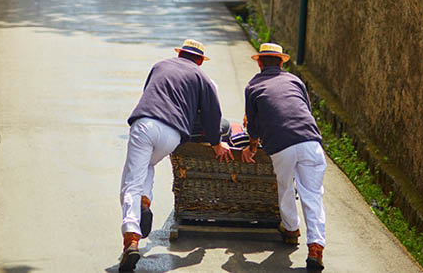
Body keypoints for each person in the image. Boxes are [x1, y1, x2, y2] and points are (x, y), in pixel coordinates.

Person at [118, 39, 233, 272]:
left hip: (146, 124)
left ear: (180, 54)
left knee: (132, 179)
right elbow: (213, 116)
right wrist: (216, 143)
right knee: (148, 164)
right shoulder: (203, 79)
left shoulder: (159, 66)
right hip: (172, 135)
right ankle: (144, 201)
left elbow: (148, 94)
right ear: (200, 61)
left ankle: (131, 238)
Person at [241, 43, 326, 270]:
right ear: (281, 62)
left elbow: (253, 125)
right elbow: (305, 108)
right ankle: (316, 247)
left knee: (286, 186)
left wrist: (251, 147)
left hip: (281, 145)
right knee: (313, 195)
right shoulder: (295, 81)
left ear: (259, 62)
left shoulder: (253, 86)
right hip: (311, 142)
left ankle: (291, 229)